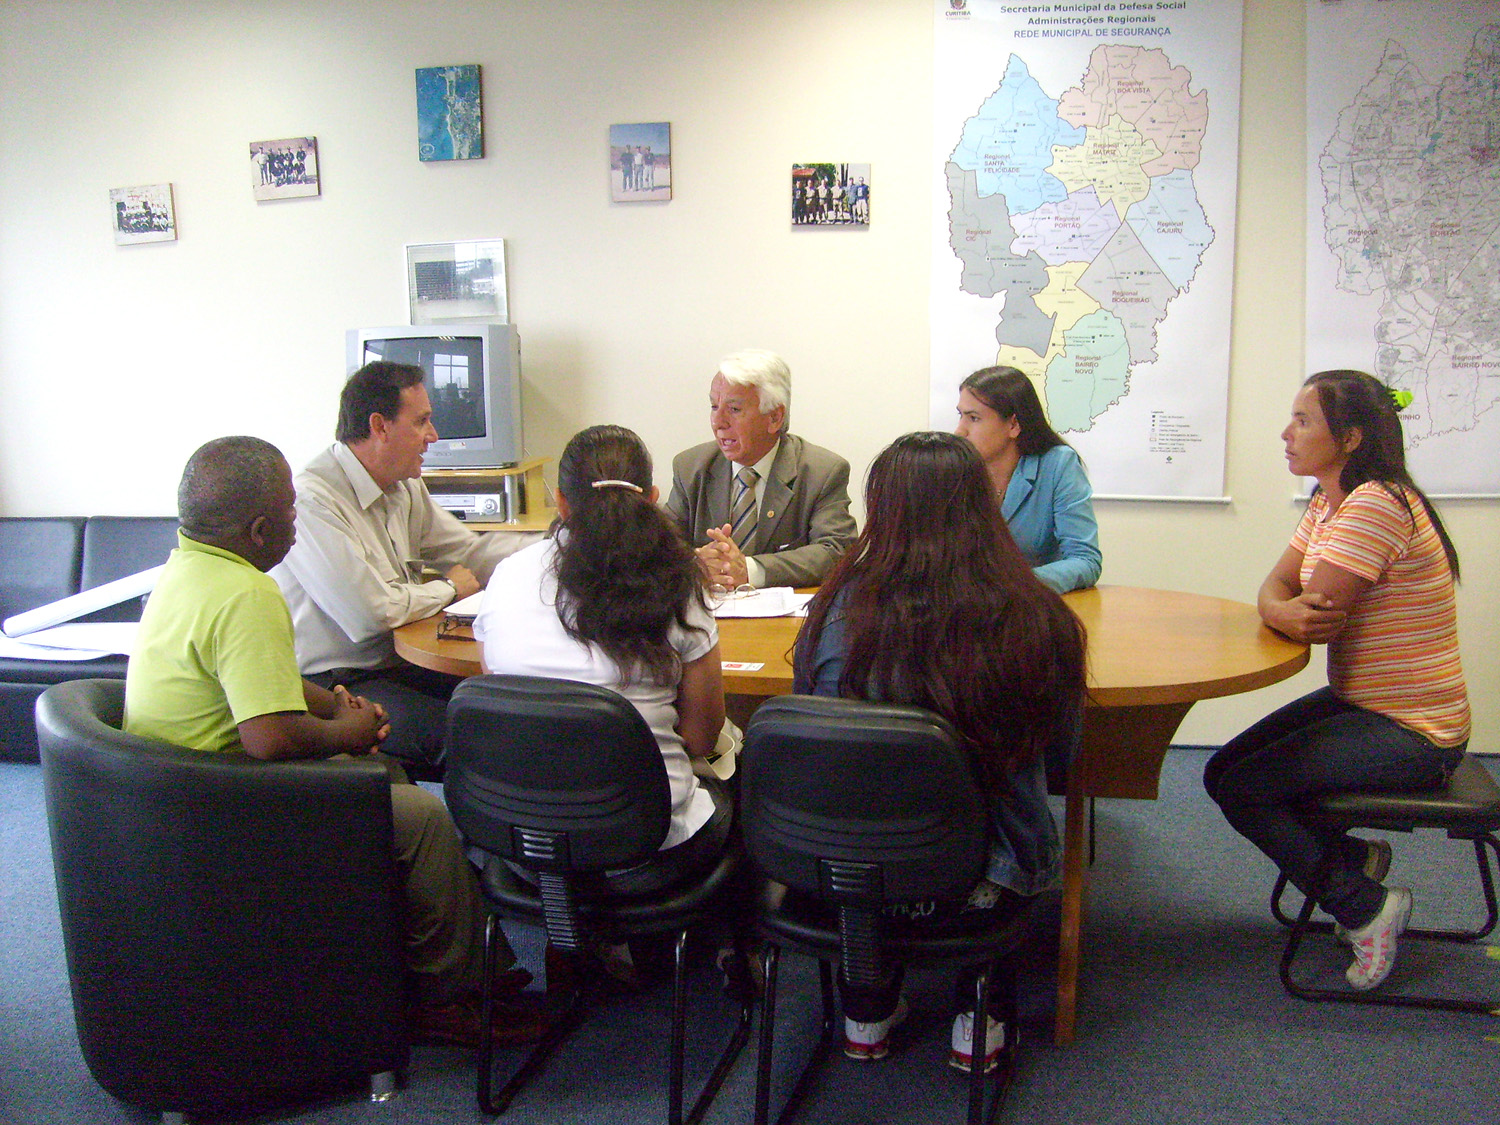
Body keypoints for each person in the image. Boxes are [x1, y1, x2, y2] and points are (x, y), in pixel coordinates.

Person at [125, 436, 540, 1047]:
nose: (299, 523)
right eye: (290, 511)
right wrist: (346, 730)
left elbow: (256, 683)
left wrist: (335, 705)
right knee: (422, 815)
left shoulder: (188, 570)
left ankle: (449, 966)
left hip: (181, 789)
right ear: (262, 528)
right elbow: (268, 737)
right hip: (228, 799)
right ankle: (447, 997)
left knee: (389, 775)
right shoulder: (246, 594)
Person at [793, 431, 1087, 1072]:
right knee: (1006, 815)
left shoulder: (831, 613)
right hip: (986, 873)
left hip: (847, 867)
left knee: (867, 815)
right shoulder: (1037, 615)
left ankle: (865, 1011)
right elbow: (1061, 758)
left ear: (881, 510)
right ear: (983, 507)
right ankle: (979, 1020)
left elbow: (812, 732)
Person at [1204, 370, 1469, 992]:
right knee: (1221, 773)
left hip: (1413, 733)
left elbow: (1309, 620)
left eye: (1303, 421)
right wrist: (1278, 606)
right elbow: (1279, 591)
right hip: (1366, 705)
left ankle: (1367, 908)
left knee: (1246, 791)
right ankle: (1351, 863)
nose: (1285, 434)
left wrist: (1280, 608)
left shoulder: (1375, 505)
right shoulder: (1332, 500)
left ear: (1348, 438)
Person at [475, 425, 733, 892]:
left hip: (523, 838)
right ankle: (701, 956)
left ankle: (578, 949)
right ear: (652, 497)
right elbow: (700, 738)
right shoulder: (677, 582)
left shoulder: (507, 576)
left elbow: (502, 706)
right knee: (735, 789)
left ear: (560, 501)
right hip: (645, 844)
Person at [273, 361, 538, 775]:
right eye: (422, 422)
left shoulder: (404, 484)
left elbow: (470, 553)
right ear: (380, 426)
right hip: (337, 683)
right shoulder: (313, 500)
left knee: (513, 705)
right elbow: (368, 614)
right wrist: (448, 588)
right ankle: (460, 833)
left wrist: (560, 547)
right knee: (475, 736)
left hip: (394, 664)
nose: (433, 436)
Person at [664, 348, 857, 589]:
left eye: (734, 409)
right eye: (714, 406)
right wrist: (696, 563)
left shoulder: (822, 471)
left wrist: (749, 570)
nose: (718, 422)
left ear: (774, 418)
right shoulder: (690, 467)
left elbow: (837, 551)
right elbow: (659, 549)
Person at [954, 365, 1102, 593]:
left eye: (973, 418)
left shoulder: (1057, 465)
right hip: (966, 608)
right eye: (961, 416)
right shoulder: (955, 468)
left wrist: (1013, 584)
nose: (960, 431)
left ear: (1014, 425)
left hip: (1031, 608)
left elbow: (1085, 560)